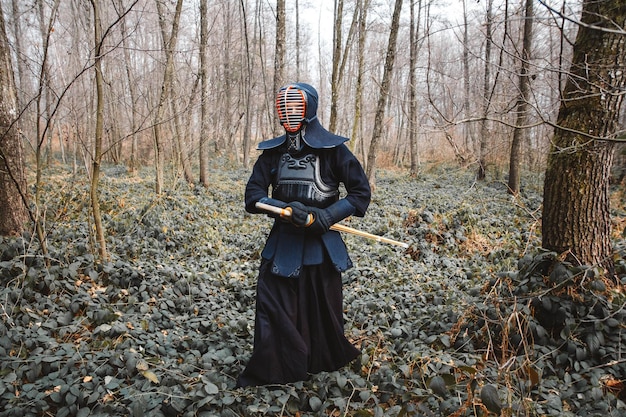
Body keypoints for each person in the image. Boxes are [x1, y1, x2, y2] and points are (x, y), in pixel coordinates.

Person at [237, 82, 371, 387]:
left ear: (308, 109)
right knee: (274, 304)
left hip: (321, 246)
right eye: (284, 108)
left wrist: (326, 215)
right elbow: (252, 195)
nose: (289, 113)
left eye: (295, 106)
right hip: (283, 244)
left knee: (320, 306)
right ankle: (277, 366)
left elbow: (360, 193)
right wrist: (283, 208)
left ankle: (316, 358)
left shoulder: (334, 150)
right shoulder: (272, 154)